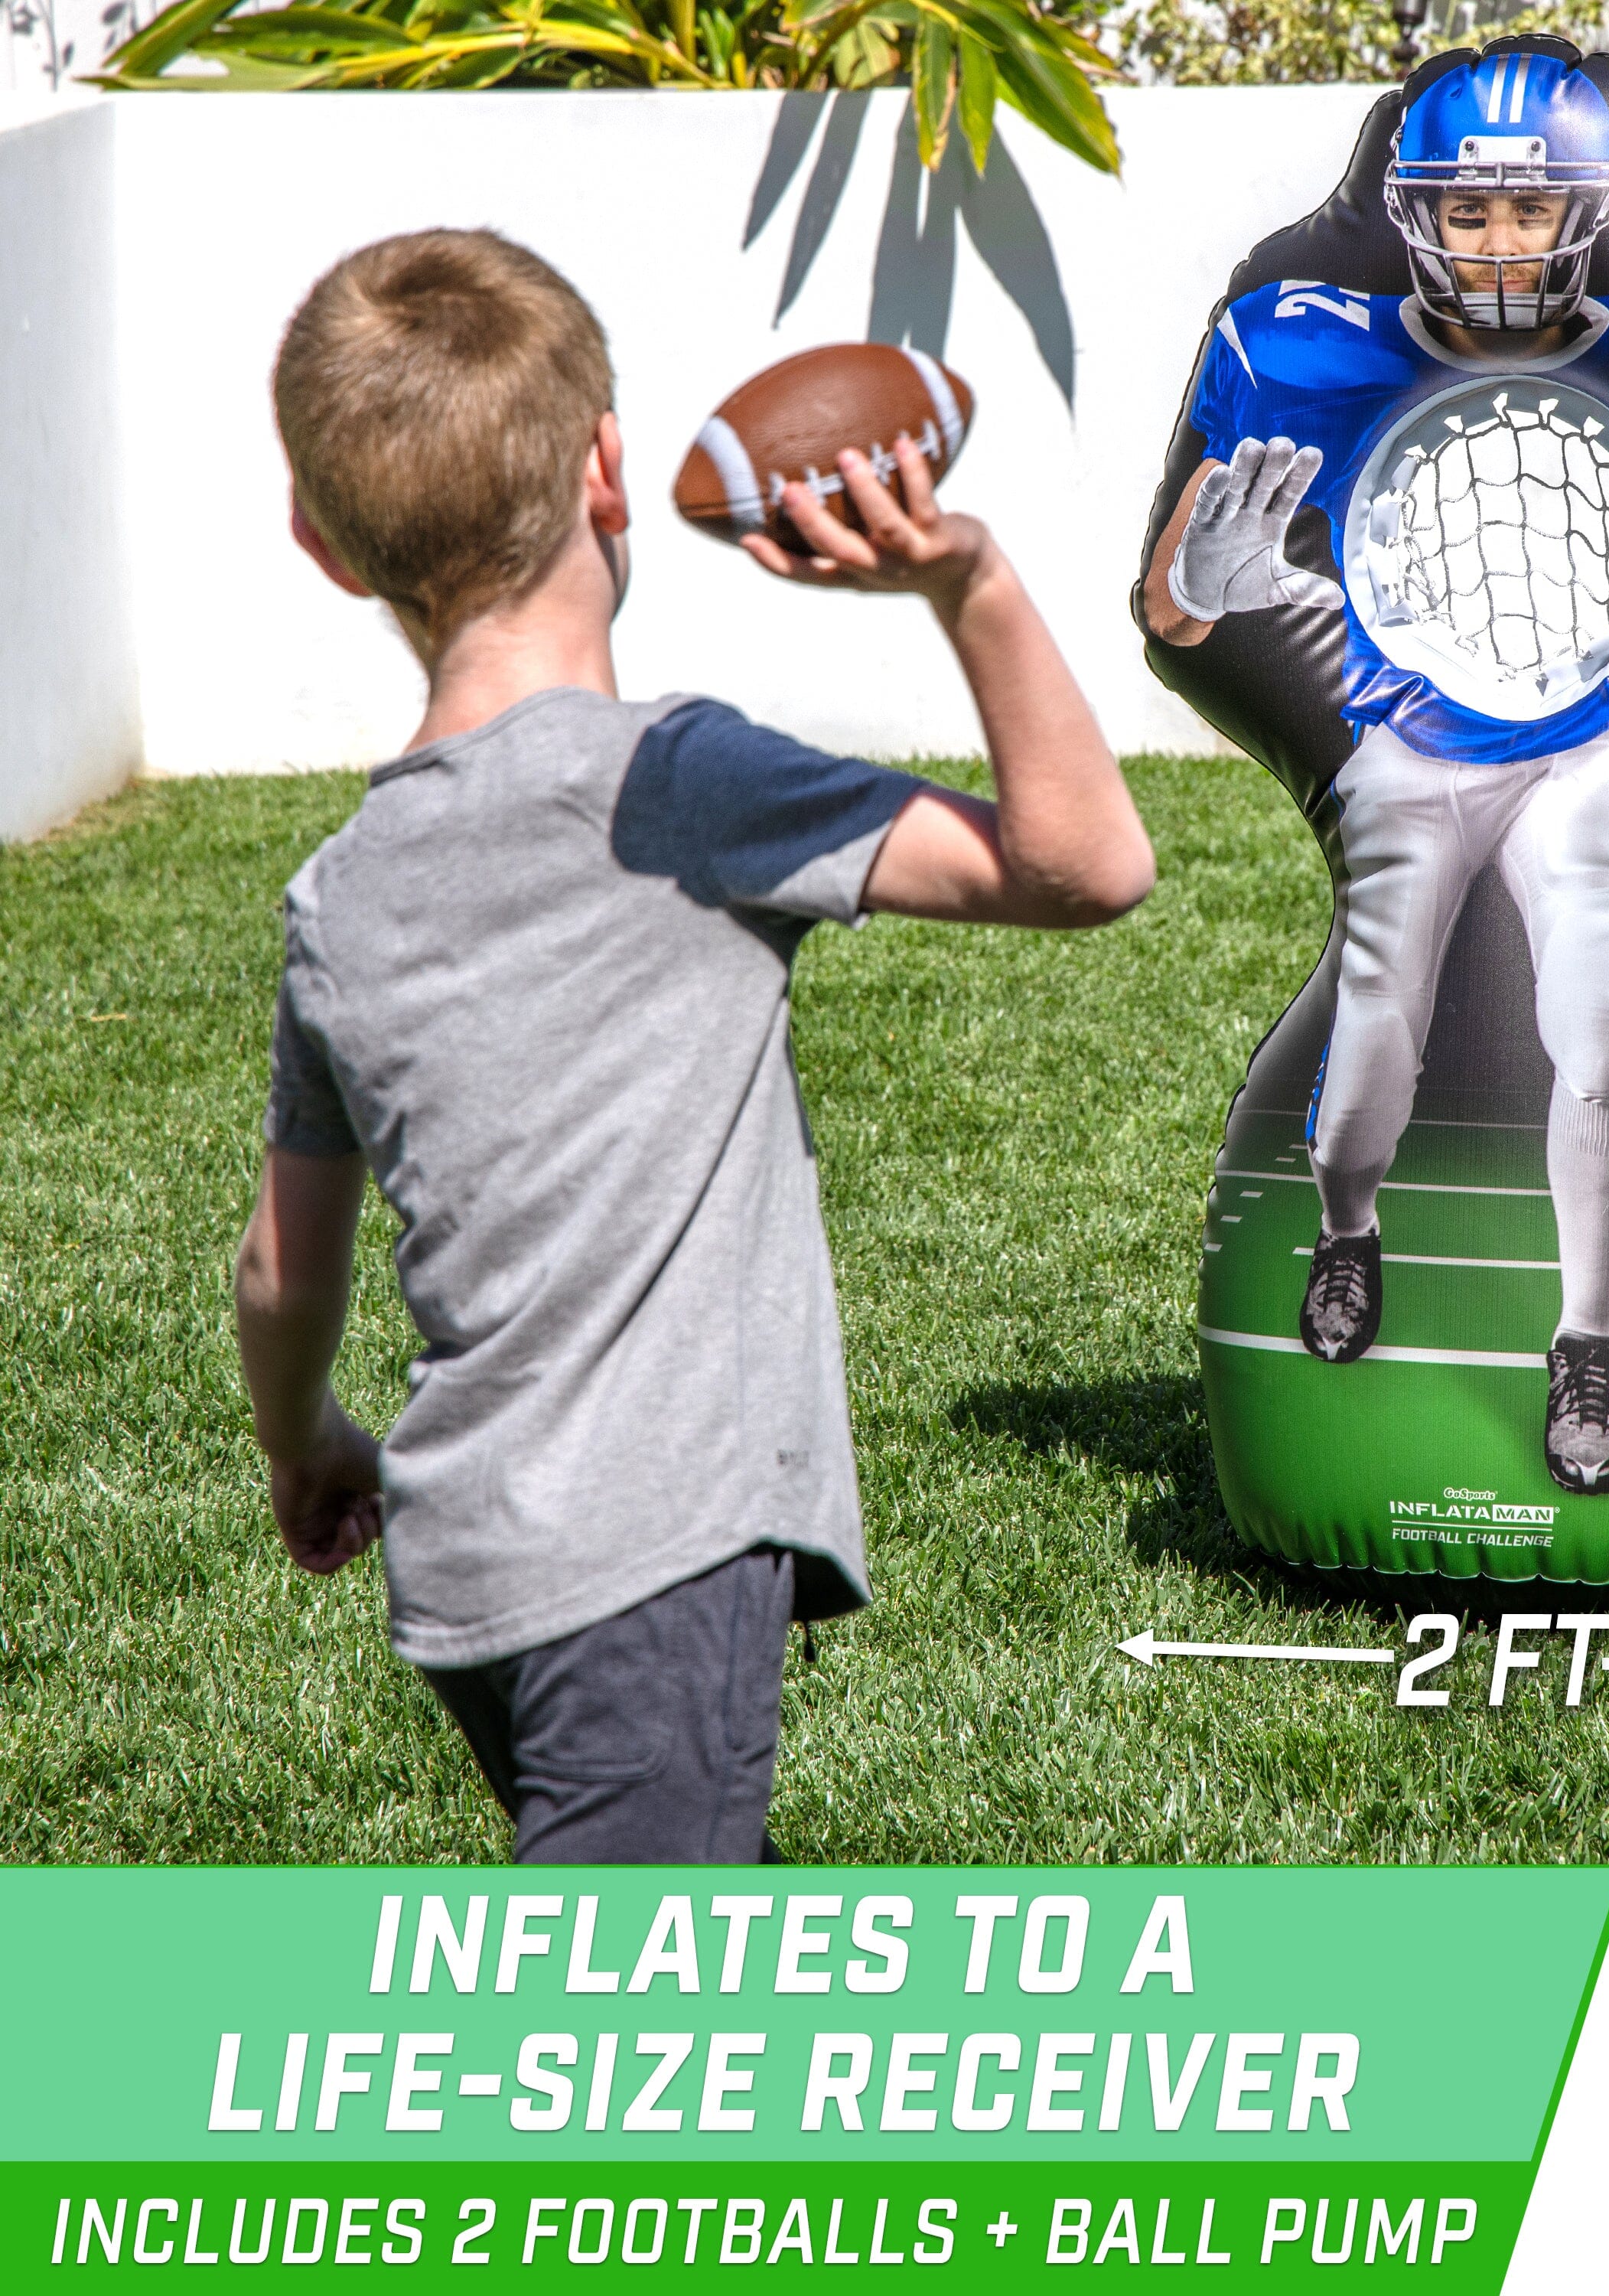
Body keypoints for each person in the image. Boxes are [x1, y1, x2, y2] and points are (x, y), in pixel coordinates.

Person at [235, 228, 1153, 1863]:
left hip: (469, 1563)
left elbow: (278, 1269)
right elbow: (1087, 866)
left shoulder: (337, 893)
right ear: (609, 470)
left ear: (318, 545)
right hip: (649, 1553)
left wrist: (305, 1442)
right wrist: (973, 584)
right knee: (620, 2036)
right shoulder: (685, 783)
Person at [1144, 47, 1609, 1497]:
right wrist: (1210, 579)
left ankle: (1589, 1340)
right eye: (1466, 211)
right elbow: (1172, 609)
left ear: (1588, 214)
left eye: (1528, 209)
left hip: (1604, 734)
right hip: (1405, 733)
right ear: (1412, 215)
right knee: (1370, 1060)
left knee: (1603, 1023)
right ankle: (1352, 1230)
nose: (1497, 242)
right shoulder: (1299, 342)